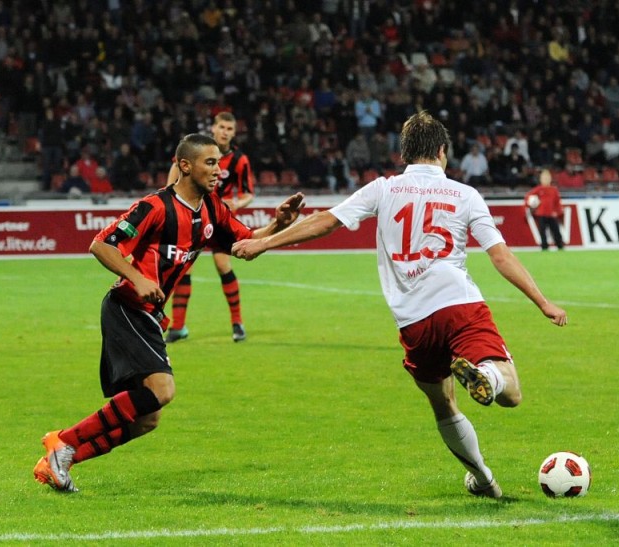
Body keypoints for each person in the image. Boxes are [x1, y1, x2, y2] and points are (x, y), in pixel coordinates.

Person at [232, 111, 568, 499]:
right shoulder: (465, 194)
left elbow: (326, 220)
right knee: (510, 393)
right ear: (442, 151)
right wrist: (542, 302)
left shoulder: (384, 189)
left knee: (444, 406)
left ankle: (482, 478)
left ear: (404, 153)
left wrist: (263, 243)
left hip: (413, 321)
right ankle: (488, 377)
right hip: (458, 303)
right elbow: (500, 256)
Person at [33, 133, 305, 492]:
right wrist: (136, 277)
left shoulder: (211, 209)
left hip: (148, 315)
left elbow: (242, 244)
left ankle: (61, 460)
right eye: (210, 163)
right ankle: (63, 441)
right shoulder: (155, 207)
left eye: (220, 164)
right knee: (162, 389)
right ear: (184, 165)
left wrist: (277, 226)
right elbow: (101, 245)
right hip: (128, 307)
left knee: (148, 418)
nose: (218, 171)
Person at [164, 112, 255, 343]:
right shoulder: (197, 151)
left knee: (222, 263)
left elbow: (248, 193)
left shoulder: (240, 160)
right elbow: (173, 178)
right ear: (213, 129)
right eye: (222, 127)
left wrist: (238, 202)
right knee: (184, 267)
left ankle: (237, 323)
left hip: (220, 220)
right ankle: (179, 327)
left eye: (230, 129)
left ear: (234, 133)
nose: (225, 132)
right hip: (193, 217)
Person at [525, 169, 565, 251]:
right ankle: (544, 247)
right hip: (541, 214)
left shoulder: (554, 190)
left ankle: (560, 246)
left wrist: (559, 212)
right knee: (542, 232)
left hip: (551, 214)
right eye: (544, 178)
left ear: (550, 179)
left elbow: (557, 202)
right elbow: (528, 197)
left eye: (547, 178)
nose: (546, 179)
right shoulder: (538, 189)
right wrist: (530, 205)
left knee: (556, 231)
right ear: (541, 179)